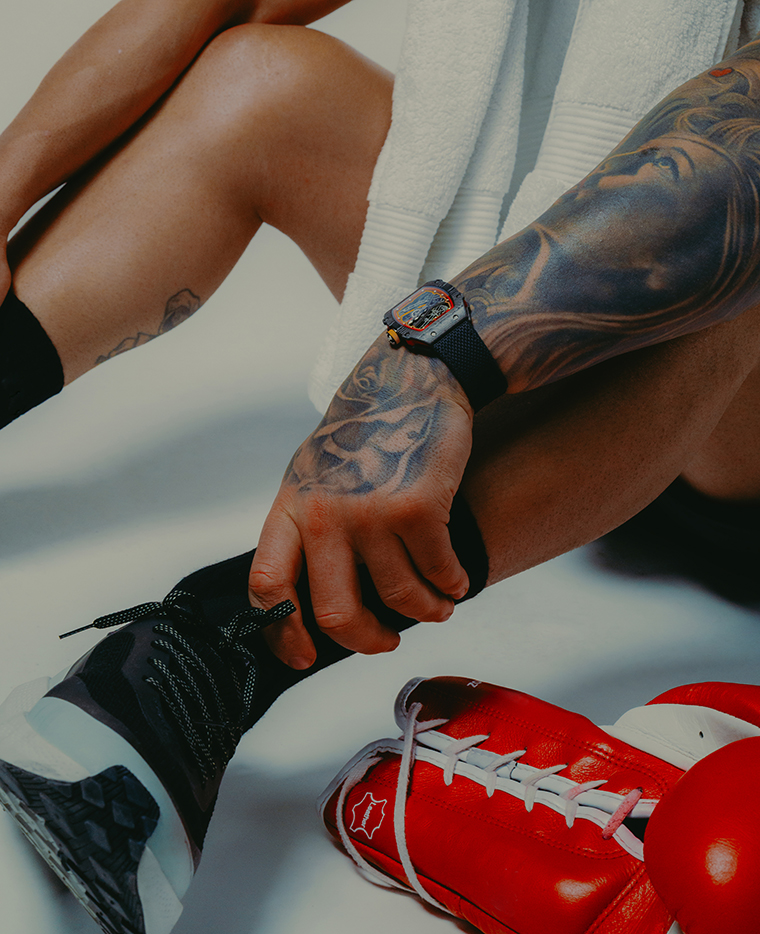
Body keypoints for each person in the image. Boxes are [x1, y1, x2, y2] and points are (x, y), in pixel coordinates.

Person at [0, 1, 759, 932]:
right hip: (562, 360)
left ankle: (211, 656)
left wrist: (435, 353)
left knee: (734, 244)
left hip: (742, 443)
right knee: (265, 80)